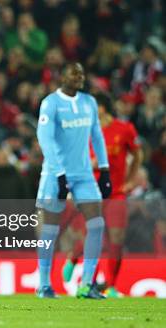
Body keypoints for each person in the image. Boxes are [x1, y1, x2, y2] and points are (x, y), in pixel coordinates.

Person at [35, 63, 112, 299]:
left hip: (84, 174)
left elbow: (97, 136)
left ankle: (87, 285)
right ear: (62, 76)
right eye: (74, 72)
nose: (80, 76)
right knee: (50, 230)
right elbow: (45, 139)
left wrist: (105, 169)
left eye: (82, 72)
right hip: (55, 173)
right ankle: (44, 284)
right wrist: (59, 175)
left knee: (97, 225)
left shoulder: (89, 102)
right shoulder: (51, 103)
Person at [61, 93, 142, 298]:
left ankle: (111, 286)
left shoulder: (124, 129)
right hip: (91, 191)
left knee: (117, 238)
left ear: (102, 108)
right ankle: (78, 265)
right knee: (93, 237)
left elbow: (138, 154)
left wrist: (131, 180)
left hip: (115, 193)